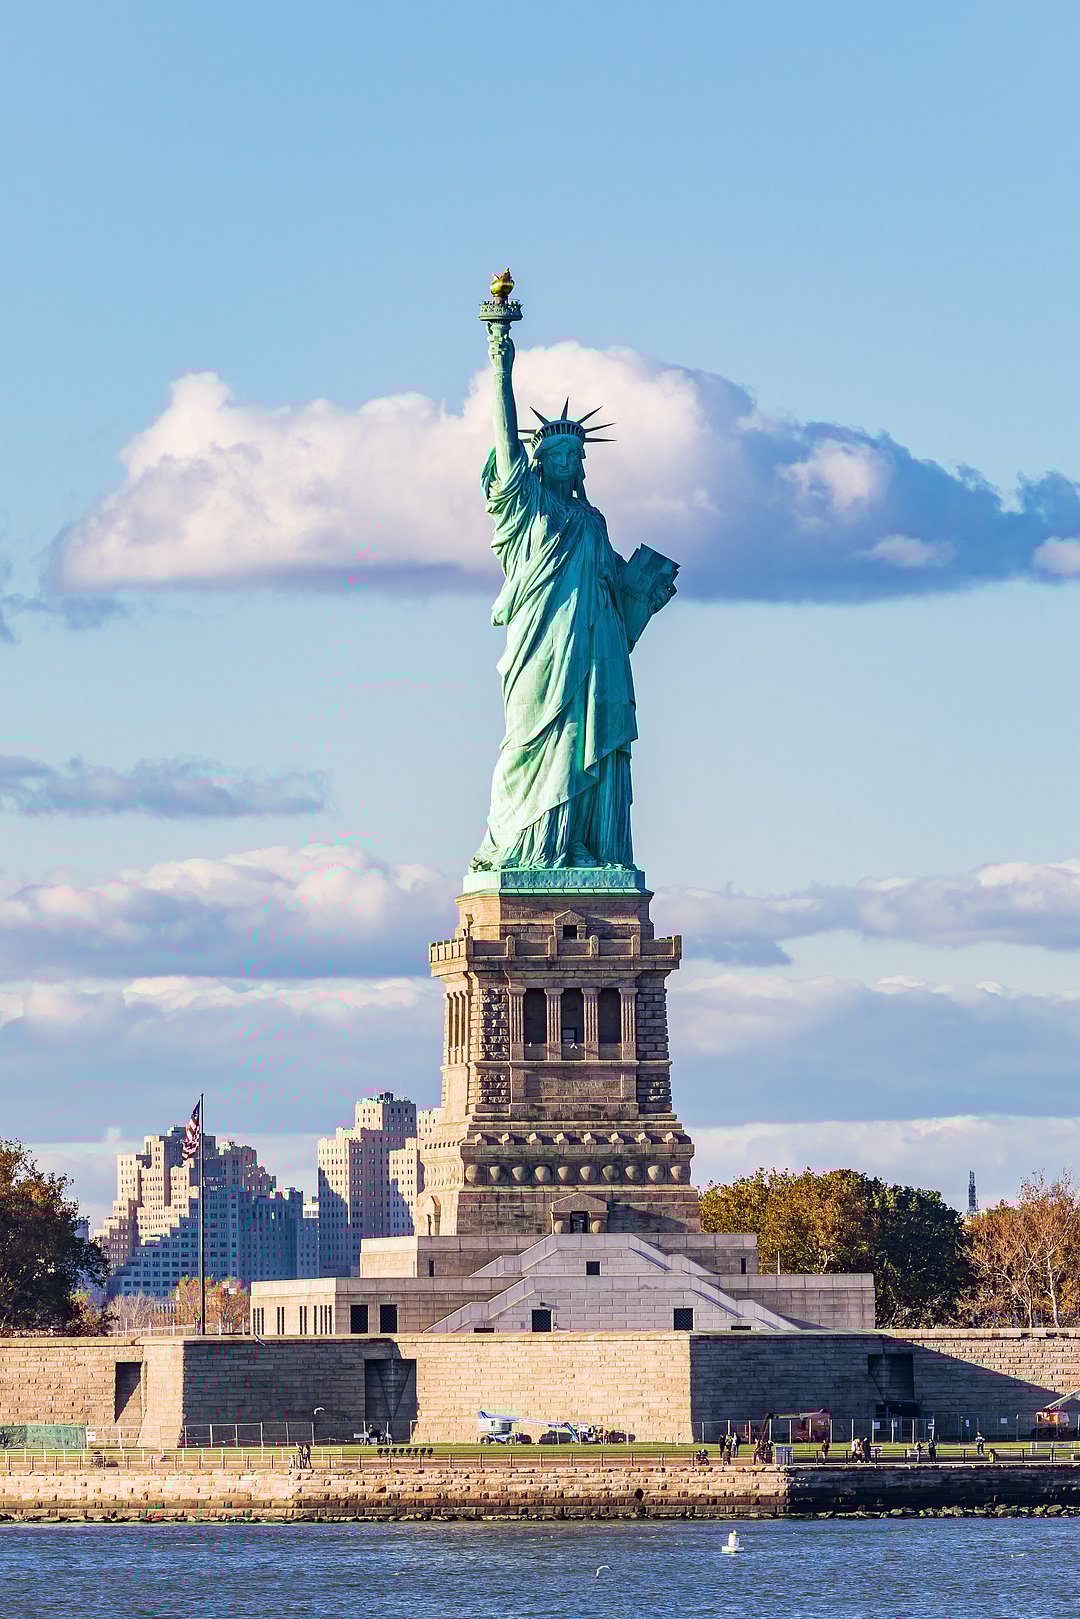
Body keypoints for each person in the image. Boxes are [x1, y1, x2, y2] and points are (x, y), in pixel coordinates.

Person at [471, 317, 678, 874]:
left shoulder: (592, 521)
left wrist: (646, 590)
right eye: (556, 455)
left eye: (574, 456)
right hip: (542, 646)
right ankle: (527, 846)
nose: (567, 462)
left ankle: (581, 845)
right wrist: (500, 363)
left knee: (591, 736)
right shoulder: (527, 509)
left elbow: (616, 590)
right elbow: (504, 439)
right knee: (532, 738)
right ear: (539, 462)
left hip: (595, 650)